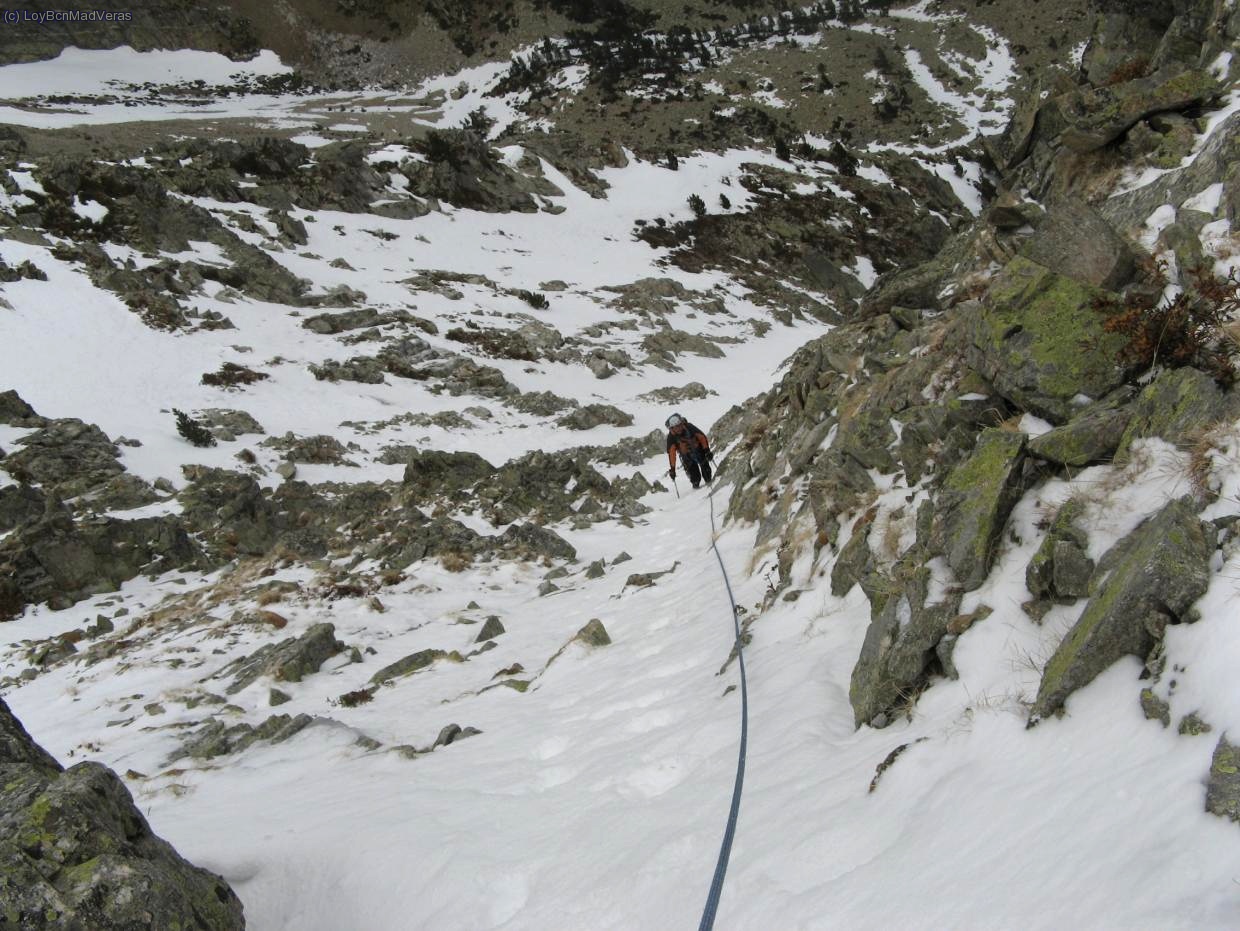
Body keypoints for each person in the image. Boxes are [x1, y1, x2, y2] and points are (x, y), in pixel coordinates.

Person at [665, 412, 714, 489]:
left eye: (679, 425)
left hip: (699, 450)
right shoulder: (671, 438)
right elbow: (672, 454)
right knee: (695, 477)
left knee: (706, 471)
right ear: (672, 428)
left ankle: (709, 483)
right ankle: (696, 487)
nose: (679, 428)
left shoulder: (689, 427)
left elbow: (701, 437)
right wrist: (672, 469)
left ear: (682, 423)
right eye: (676, 427)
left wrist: (707, 450)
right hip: (687, 456)